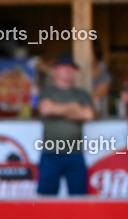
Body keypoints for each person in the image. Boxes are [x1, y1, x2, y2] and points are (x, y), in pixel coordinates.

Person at [38, 54, 93, 196]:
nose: (68, 70)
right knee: (46, 198)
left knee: (79, 197)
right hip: (50, 152)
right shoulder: (48, 92)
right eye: (64, 67)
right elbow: (46, 109)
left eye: (71, 68)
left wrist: (58, 110)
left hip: (75, 153)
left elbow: (88, 115)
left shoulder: (81, 94)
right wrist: (74, 107)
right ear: (56, 70)